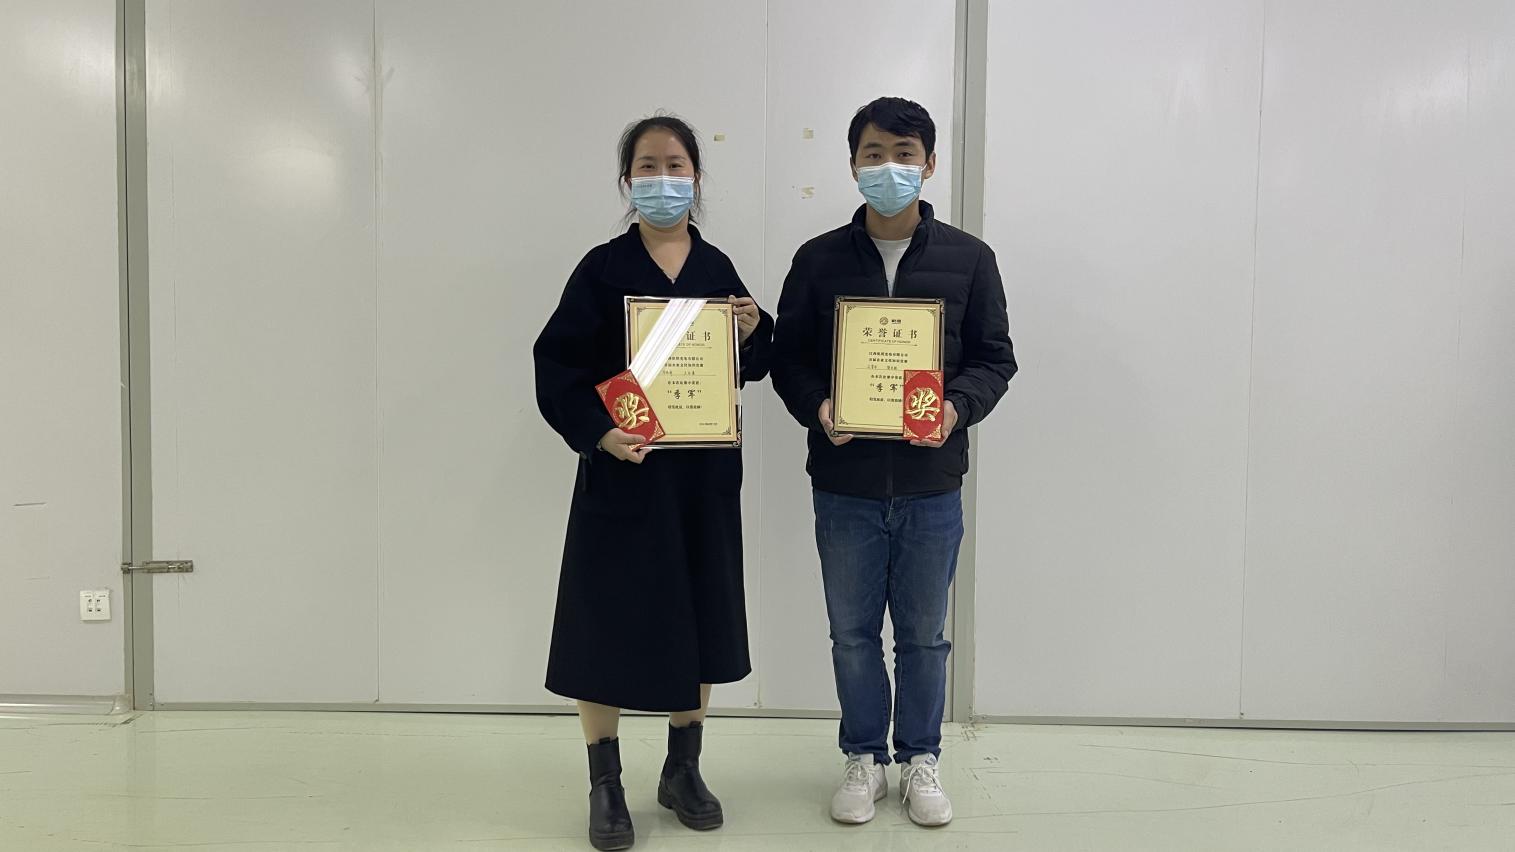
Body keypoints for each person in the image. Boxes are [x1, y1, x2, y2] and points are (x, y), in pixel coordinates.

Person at [771, 97, 1017, 828]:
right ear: (852, 164)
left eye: (904, 154)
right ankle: (863, 758)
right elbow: (788, 359)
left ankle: (919, 759)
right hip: (844, 483)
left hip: (929, 483)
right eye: (873, 154)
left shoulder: (970, 259)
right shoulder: (816, 260)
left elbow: (994, 359)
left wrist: (954, 409)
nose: (889, 168)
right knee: (851, 635)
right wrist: (818, 407)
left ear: (929, 164)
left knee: (923, 637)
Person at [533, 114, 773, 852]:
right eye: (647, 165)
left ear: (696, 179)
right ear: (626, 180)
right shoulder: (601, 269)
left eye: (675, 165)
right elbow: (557, 367)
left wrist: (754, 327)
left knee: (700, 617)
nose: (662, 178)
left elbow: (756, 361)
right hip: (623, 476)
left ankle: (682, 769)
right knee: (603, 621)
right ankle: (604, 780)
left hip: (702, 481)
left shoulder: (717, 267)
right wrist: (599, 433)